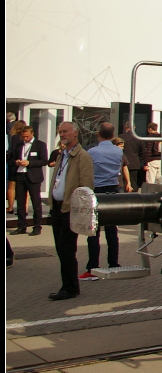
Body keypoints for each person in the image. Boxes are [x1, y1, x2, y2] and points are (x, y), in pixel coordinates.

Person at [49, 121, 94, 300]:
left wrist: (80, 210)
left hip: (70, 209)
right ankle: (67, 284)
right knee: (61, 249)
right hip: (57, 208)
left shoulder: (82, 156)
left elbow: (86, 185)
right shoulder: (63, 155)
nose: (62, 134)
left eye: (65, 131)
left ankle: (70, 287)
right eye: (60, 132)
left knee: (66, 249)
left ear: (75, 133)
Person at [83, 123, 121, 280]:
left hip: (97, 189)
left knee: (93, 229)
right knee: (112, 228)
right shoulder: (118, 151)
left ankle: (93, 265)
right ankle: (113, 262)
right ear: (112, 135)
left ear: (98, 134)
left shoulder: (92, 151)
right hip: (113, 189)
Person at [12, 126, 48, 236]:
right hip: (20, 175)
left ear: (32, 133)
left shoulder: (40, 144)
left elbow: (44, 160)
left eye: (27, 136)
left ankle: (37, 226)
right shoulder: (19, 145)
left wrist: (29, 163)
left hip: (33, 176)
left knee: (36, 202)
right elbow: (11, 158)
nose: (25, 138)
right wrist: (16, 162)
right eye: (23, 137)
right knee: (20, 203)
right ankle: (21, 225)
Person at [7, 119, 28, 213]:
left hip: (14, 162)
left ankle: (10, 207)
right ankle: (25, 208)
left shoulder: (14, 137)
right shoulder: (27, 137)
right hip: (24, 163)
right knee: (26, 187)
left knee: (12, 186)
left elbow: (11, 150)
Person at [118, 122, 146, 191]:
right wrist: (139, 159)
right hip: (135, 163)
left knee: (123, 182)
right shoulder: (138, 138)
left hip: (123, 163)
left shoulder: (121, 137)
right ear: (134, 128)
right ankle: (133, 198)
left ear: (125, 128)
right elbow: (143, 151)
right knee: (133, 183)